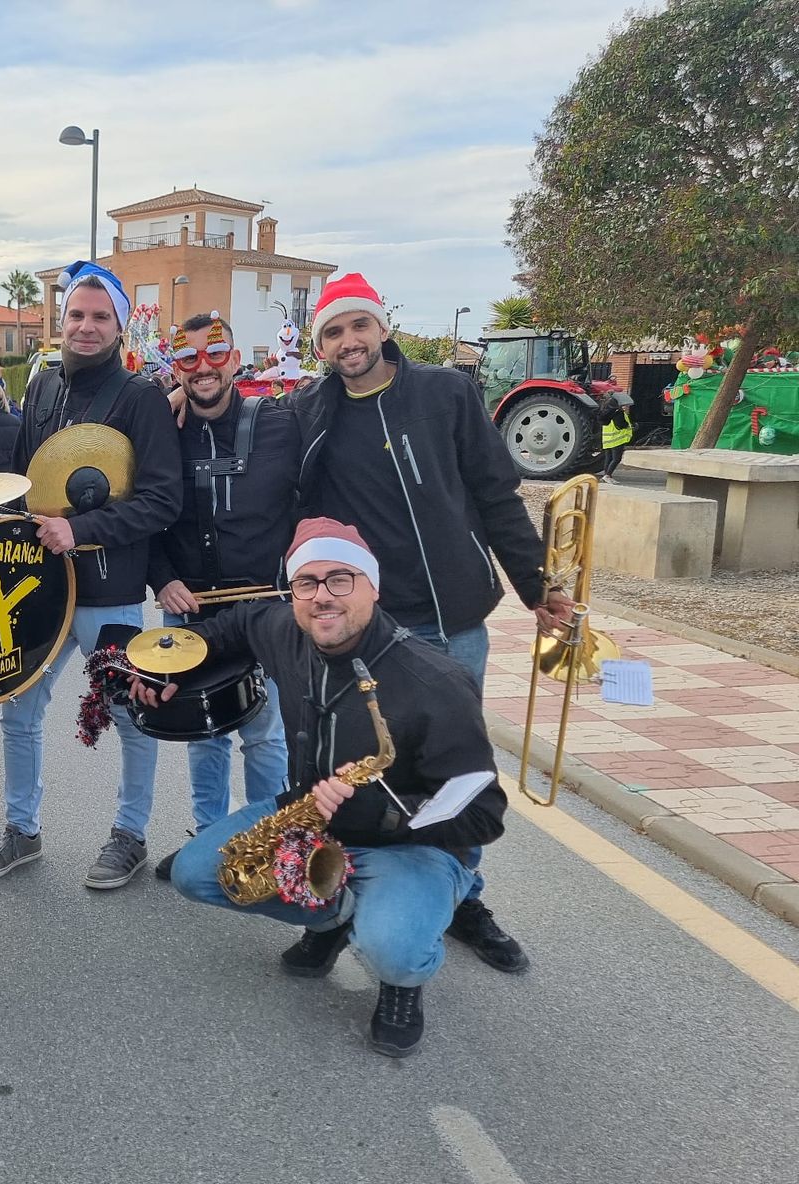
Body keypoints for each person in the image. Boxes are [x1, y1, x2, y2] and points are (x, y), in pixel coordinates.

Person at [134, 519, 507, 1057]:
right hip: (309, 820)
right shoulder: (289, 628)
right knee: (196, 873)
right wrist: (174, 667)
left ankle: (403, 980)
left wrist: (384, 812)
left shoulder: (437, 683)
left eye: (340, 579)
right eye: (306, 583)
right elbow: (236, 624)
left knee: (394, 951)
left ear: (372, 587)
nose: (321, 597)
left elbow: (486, 815)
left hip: (409, 847)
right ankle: (332, 916)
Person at [292, 273, 573, 975]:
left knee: (456, 778)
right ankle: (339, 904)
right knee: (349, 772)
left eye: (359, 326)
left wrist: (536, 584)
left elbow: (495, 495)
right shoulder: (309, 411)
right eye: (333, 332)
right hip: (368, 632)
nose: (349, 342)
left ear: (382, 328)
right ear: (321, 346)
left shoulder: (446, 393)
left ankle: (461, 896)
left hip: (451, 627)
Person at [0, 261, 182, 889]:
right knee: (19, 711)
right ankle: (22, 830)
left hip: (109, 593)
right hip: (39, 585)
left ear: (118, 327)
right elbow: (19, 481)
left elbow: (162, 499)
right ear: (59, 321)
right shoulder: (42, 388)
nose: (86, 327)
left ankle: (131, 834)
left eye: (100, 317)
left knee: (127, 714)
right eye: (76, 315)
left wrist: (81, 531)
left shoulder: (140, 398)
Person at [147, 312, 299, 879]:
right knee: (202, 728)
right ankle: (208, 839)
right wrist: (162, 578)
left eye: (214, 356)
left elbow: (306, 503)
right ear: (177, 367)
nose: (203, 368)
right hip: (190, 605)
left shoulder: (282, 422)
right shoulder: (162, 428)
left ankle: (269, 842)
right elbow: (148, 515)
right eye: (188, 359)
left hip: (264, 607)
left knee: (265, 732)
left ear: (234, 360)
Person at [598, 392, 634, 480]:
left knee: (608, 458)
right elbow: (620, 425)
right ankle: (608, 475)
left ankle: (605, 476)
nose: (626, 407)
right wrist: (630, 426)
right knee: (616, 459)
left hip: (607, 440)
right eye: (625, 405)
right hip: (617, 440)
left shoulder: (605, 413)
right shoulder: (618, 413)